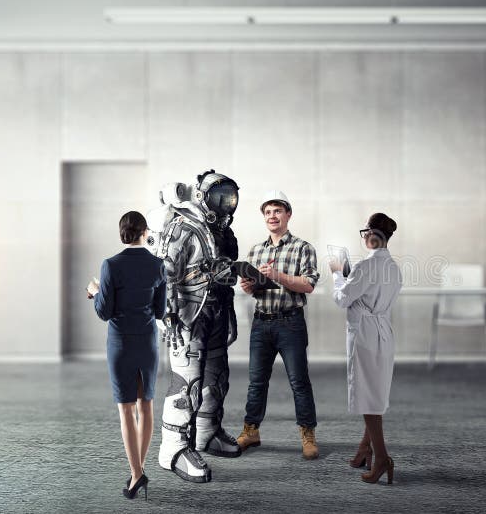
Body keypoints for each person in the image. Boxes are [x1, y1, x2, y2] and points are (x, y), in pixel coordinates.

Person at [145, 170, 242, 484]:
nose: (226, 203)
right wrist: (167, 316)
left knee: (216, 378)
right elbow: (165, 272)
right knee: (186, 384)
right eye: (220, 196)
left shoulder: (220, 232)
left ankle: (206, 433)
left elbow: (223, 273)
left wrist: (228, 311)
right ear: (201, 196)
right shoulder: (184, 227)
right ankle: (173, 449)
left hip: (213, 313)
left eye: (230, 196)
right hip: (187, 316)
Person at [88, 210, 167, 500]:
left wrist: (94, 290)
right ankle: (138, 471)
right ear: (145, 232)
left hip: (120, 343)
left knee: (125, 409)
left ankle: (136, 474)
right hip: (147, 341)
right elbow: (160, 311)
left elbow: (104, 312)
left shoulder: (110, 265)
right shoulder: (158, 265)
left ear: (122, 233)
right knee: (146, 404)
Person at [237, 190, 321, 460]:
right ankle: (251, 430)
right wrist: (249, 287)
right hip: (261, 323)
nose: (272, 216)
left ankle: (307, 434)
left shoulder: (303, 248)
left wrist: (276, 275)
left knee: (299, 382)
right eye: (268, 212)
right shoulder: (256, 250)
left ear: (288, 215)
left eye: (277, 211)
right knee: (256, 382)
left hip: (290, 323)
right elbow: (254, 290)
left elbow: (308, 285)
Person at [330, 213, 402, 484]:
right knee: (376, 392)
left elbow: (341, 299)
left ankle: (382, 458)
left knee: (368, 397)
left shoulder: (365, 267)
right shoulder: (394, 267)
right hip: (384, 331)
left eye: (365, 233)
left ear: (371, 234)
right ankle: (365, 450)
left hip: (365, 335)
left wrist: (338, 273)